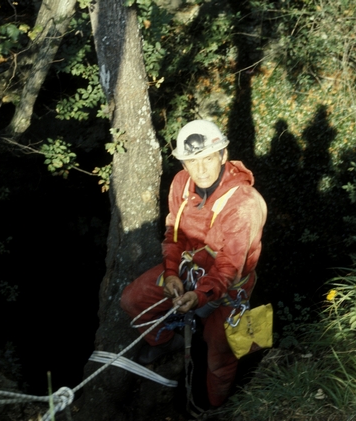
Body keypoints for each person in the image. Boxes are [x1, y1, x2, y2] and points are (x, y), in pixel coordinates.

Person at [120, 119, 267, 408]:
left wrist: (199, 296)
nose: (199, 170)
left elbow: (229, 267)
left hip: (228, 287)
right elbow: (174, 234)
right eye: (191, 161)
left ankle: (216, 407)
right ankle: (166, 342)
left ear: (223, 155)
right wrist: (171, 273)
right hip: (189, 269)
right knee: (132, 300)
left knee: (221, 356)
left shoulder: (244, 204)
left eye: (207, 159)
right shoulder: (181, 183)